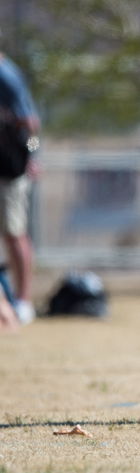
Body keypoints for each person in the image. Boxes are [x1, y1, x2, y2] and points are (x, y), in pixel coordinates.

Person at [0, 50, 39, 327]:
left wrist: (32, 157)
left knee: (14, 233)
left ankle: (23, 302)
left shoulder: (6, 76)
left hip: (11, 169)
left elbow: (31, 124)